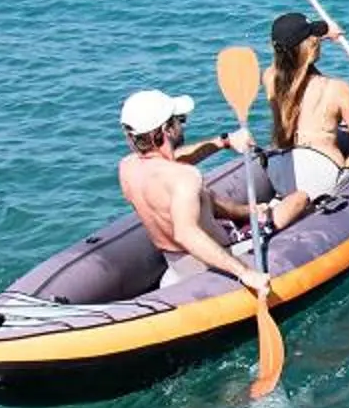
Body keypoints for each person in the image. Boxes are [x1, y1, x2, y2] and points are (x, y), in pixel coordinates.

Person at [116, 89, 300, 296]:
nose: (181, 125)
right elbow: (186, 234)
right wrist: (245, 272)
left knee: (206, 198)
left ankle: (251, 211)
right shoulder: (185, 177)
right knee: (299, 200)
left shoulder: (127, 168)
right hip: (215, 254)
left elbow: (172, 160)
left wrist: (224, 141)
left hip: (176, 262)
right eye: (179, 120)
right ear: (167, 130)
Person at [266, 9, 349, 203]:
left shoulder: (269, 78)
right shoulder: (337, 89)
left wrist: (324, 30)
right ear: (311, 45)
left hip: (280, 172)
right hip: (319, 179)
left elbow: (288, 59)